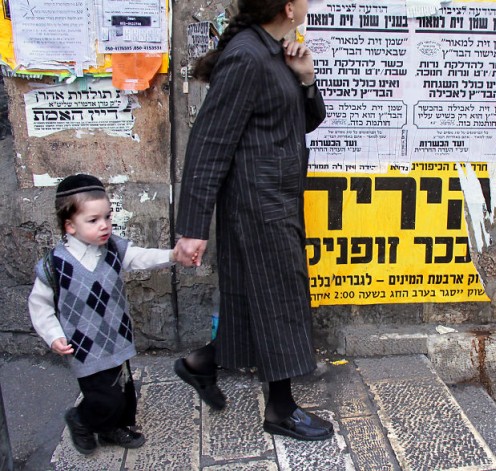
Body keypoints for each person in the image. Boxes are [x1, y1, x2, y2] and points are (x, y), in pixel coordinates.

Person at [172, 0, 333, 441]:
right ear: (287, 6)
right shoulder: (247, 55)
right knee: (280, 299)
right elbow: (209, 143)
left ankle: (201, 363)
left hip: (275, 199)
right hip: (257, 204)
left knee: (252, 301)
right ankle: (281, 409)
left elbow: (307, 121)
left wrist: (306, 79)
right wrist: (192, 228)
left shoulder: (274, 52)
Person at [28, 174, 176, 455]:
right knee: (103, 397)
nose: (105, 225)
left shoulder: (114, 249)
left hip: (116, 338)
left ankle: (111, 430)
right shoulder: (55, 265)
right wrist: (54, 336)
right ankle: (81, 419)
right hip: (84, 347)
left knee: (122, 389)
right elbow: (40, 305)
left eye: (107, 217)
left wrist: (172, 255)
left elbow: (140, 257)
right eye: (93, 220)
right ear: (70, 225)